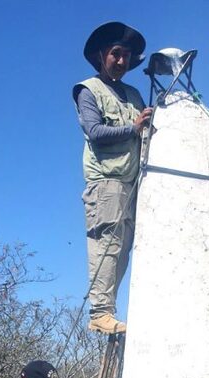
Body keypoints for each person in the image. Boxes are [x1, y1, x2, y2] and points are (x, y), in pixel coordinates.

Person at [73, 21, 153, 335]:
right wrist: (132, 128)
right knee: (107, 243)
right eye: (115, 54)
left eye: (127, 56)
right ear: (101, 55)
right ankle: (100, 313)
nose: (121, 61)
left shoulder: (133, 94)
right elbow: (94, 132)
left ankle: (110, 309)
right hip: (106, 181)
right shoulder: (87, 90)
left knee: (123, 248)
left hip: (133, 183)